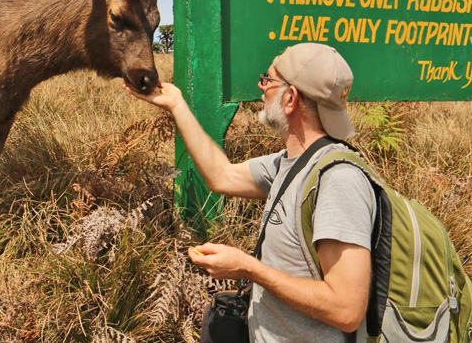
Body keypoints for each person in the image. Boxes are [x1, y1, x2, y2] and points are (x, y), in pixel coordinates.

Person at [125, 42, 376, 342]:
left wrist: (249, 268)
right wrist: (177, 105)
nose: (261, 86)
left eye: (268, 80)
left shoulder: (338, 181)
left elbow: (346, 309)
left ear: (290, 99)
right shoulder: (287, 163)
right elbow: (222, 175)